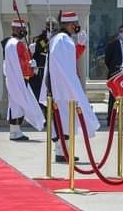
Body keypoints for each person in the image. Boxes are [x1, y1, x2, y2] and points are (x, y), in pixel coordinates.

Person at [41, 11, 101, 163]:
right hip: (63, 89)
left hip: (61, 88)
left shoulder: (59, 39)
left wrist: (80, 46)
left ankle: (62, 151)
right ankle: (63, 152)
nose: (77, 27)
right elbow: (67, 66)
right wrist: (74, 88)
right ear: (69, 24)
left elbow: (69, 59)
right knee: (64, 121)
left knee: (63, 121)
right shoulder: (63, 40)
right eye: (75, 24)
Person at [3, 18, 43, 141]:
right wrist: (31, 66)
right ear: (14, 29)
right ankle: (15, 132)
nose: (23, 31)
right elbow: (22, 63)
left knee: (15, 104)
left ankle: (15, 131)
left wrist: (29, 54)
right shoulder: (18, 44)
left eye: (24, 29)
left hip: (14, 79)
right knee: (19, 104)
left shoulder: (10, 43)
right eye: (21, 29)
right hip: (19, 79)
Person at [104, 24, 123, 129]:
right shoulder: (112, 45)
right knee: (113, 97)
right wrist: (115, 68)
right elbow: (107, 60)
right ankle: (111, 119)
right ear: (118, 33)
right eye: (121, 31)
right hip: (115, 74)